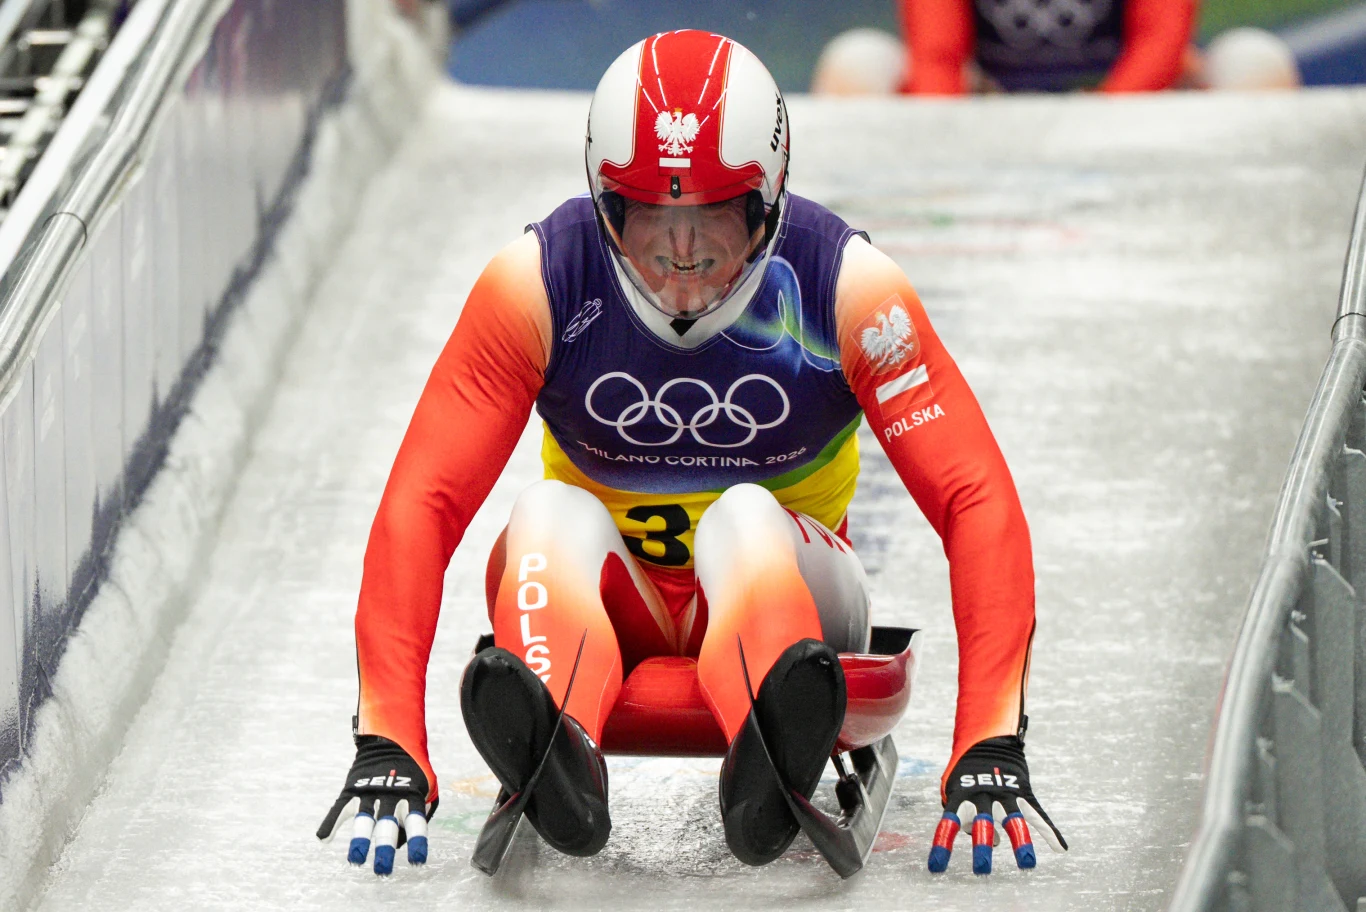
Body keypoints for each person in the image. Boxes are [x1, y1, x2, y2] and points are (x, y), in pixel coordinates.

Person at [317, 28, 1066, 877]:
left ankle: (771, 734)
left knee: (743, 515)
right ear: (608, 205)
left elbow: (974, 496)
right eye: (650, 213)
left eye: (709, 211)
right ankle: (557, 739)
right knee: (545, 513)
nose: (680, 251)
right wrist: (388, 735)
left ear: (766, 201)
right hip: (614, 606)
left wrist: (991, 736)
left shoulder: (849, 290)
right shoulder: (533, 285)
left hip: (798, 604)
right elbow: (425, 497)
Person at [899, 0, 1198, 94]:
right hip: (990, 97)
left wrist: (1106, 119)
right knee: (863, 59)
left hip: (1121, 96)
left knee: (1243, 57)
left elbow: (1161, 40)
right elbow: (935, 57)